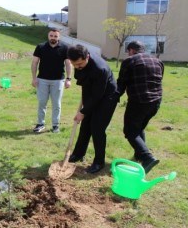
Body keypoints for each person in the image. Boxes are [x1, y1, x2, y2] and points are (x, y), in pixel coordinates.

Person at [66, 44, 118, 174]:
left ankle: (99, 162)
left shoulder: (100, 69)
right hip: (92, 93)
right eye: (75, 65)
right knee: (85, 126)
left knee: (97, 128)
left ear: (87, 57)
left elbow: (98, 95)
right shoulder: (79, 62)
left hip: (107, 97)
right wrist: (84, 108)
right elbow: (86, 85)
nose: (78, 67)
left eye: (80, 64)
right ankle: (78, 154)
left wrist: (83, 112)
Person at [116, 41, 164, 174]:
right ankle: (139, 155)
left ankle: (147, 157)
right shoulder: (157, 61)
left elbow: (121, 83)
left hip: (139, 101)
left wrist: (113, 98)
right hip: (156, 102)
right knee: (139, 128)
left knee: (130, 131)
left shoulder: (129, 61)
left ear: (131, 50)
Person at [31, 28, 73, 133]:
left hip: (58, 81)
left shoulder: (65, 48)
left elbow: (68, 64)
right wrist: (34, 78)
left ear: (59, 37)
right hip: (42, 80)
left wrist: (68, 79)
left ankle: (55, 125)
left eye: (55, 36)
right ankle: (40, 124)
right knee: (42, 102)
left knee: (56, 104)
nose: (53, 38)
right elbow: (34, 63)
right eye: (51, 36)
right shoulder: (40, 47)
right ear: (48, 36)